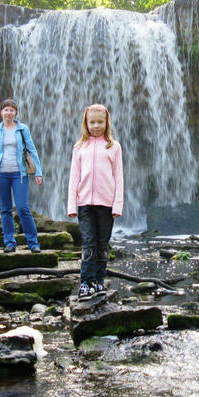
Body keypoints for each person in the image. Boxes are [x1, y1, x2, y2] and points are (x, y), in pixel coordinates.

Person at [67, 103, 124, 296]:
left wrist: (117, 205)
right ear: (86, 123)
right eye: (92, 122)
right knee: (88, 242)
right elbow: (74, 177)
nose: (96, 126)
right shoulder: (79, 146)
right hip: (84, 204)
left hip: (106, 204)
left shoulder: (113, 147)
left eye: (100, 122)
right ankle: (86, 281)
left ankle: (99, 280)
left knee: (102, 243)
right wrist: (71, 204)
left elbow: (119, 177)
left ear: (107, 123)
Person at [0, 98, 44, 253]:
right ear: (1, 112)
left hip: (19, 174)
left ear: (15, 112)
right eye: (6, 110)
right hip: (0, 173)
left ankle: (33, 242)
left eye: (11, 110)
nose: (8, 113)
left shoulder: (22, 129)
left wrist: (38, 172)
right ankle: (9, 242)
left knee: (22, 208)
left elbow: (32, 150)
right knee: (6, 209)